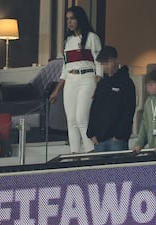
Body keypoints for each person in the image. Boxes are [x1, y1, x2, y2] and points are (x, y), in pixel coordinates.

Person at [49, 6, 103, 153]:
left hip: (87, 79)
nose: (69, 22)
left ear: (80, 19)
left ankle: (90, 151)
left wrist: (97, 86)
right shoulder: (68, 41)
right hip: (70, 81)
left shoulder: (92, 38)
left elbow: (99, 64)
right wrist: (56, 90)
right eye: (67, 19)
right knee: (71, 120)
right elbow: (64, 69)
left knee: (81, 118)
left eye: (72, 18)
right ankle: (74, 153)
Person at [86, 46, 136, 152]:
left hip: (117, 141)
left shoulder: (126, 83)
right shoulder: (102, 84)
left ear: (115, 60)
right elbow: (94, 109)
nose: (105, 66)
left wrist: (119, 135)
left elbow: (129, 110)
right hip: (99, 139)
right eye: (103, 64)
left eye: (107, 63)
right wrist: (91, 133)